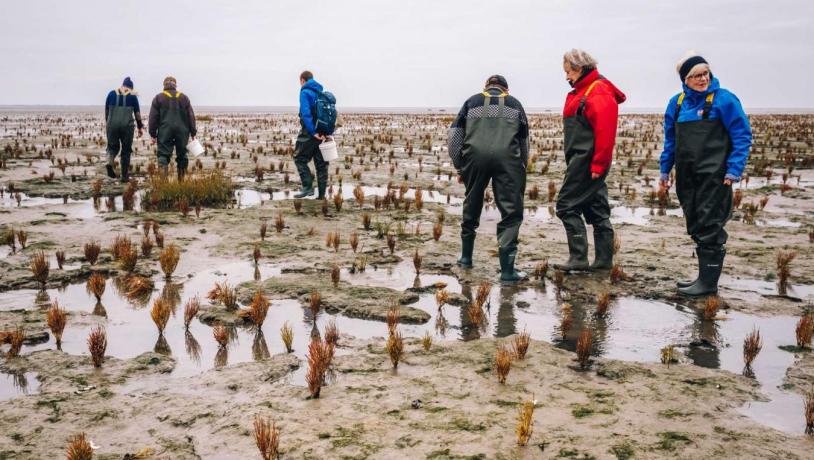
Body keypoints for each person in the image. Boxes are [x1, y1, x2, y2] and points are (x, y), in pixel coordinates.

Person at [660, 53, 752, 296]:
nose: (702, 79)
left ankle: (708, 285)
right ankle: (703, 278)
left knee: (711, 225)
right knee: (696, 223)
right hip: (687, 175)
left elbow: (742, 136)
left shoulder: (724, 100)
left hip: (715, 174)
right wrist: (664, 170)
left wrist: (734, 170)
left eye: (705, 73)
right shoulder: (677, 103)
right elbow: (671, 141)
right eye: (696, 75)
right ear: (685, 79)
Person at [448, 75, 529, 284]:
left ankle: (466, 259)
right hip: (508, 160)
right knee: (511, 212)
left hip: (474, 158)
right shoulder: (515, 104)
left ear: (486, 87)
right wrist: (521, 167)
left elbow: (454, 137)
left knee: (472, 203)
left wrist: (460, 167)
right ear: (506, 90)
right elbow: (523, 142)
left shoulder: (471, 102)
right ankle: (508, 272)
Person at [554, 49, 626, 272]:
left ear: (580, 68)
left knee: (566, 206)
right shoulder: (583, 90)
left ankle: (579, 258)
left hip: (587, 162)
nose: (567, 77)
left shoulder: (599, 91)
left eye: (569, 72)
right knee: (596, 209)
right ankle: (604, 262)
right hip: (580, 159)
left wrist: (598, 165)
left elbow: (605, 133)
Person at [148, 76, 197, 180]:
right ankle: (181, 182)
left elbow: (153, 118)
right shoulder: (184, 98)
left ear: (164, 85)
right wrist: (193, 132)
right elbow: (191, 116)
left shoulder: (158, 98)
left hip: (165, 131)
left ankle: (163, 182)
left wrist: (152, 134)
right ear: (175, 85)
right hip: (182, 131)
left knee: (163, 156)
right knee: (182, 155)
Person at [294, 70, 331, 199]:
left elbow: (306, 114)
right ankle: (321, 196)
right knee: (321, 165)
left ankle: (307, 188)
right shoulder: (321, 93)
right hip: (323, 132)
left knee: (299, 158)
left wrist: (312, 132)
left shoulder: (305, 92)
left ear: (303, 80)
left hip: (310, 133)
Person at [104, 77, 143, 182]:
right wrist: (140, 127)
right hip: (127, 127)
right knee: (126, 150)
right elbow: (137, 114)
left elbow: (107, 111)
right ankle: (124, 176)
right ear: (130, 88)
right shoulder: (133, 97)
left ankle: (109, 163)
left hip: (112, 125)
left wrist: (108, 123)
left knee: (112, 147)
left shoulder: (111, 94)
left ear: (122, 85)